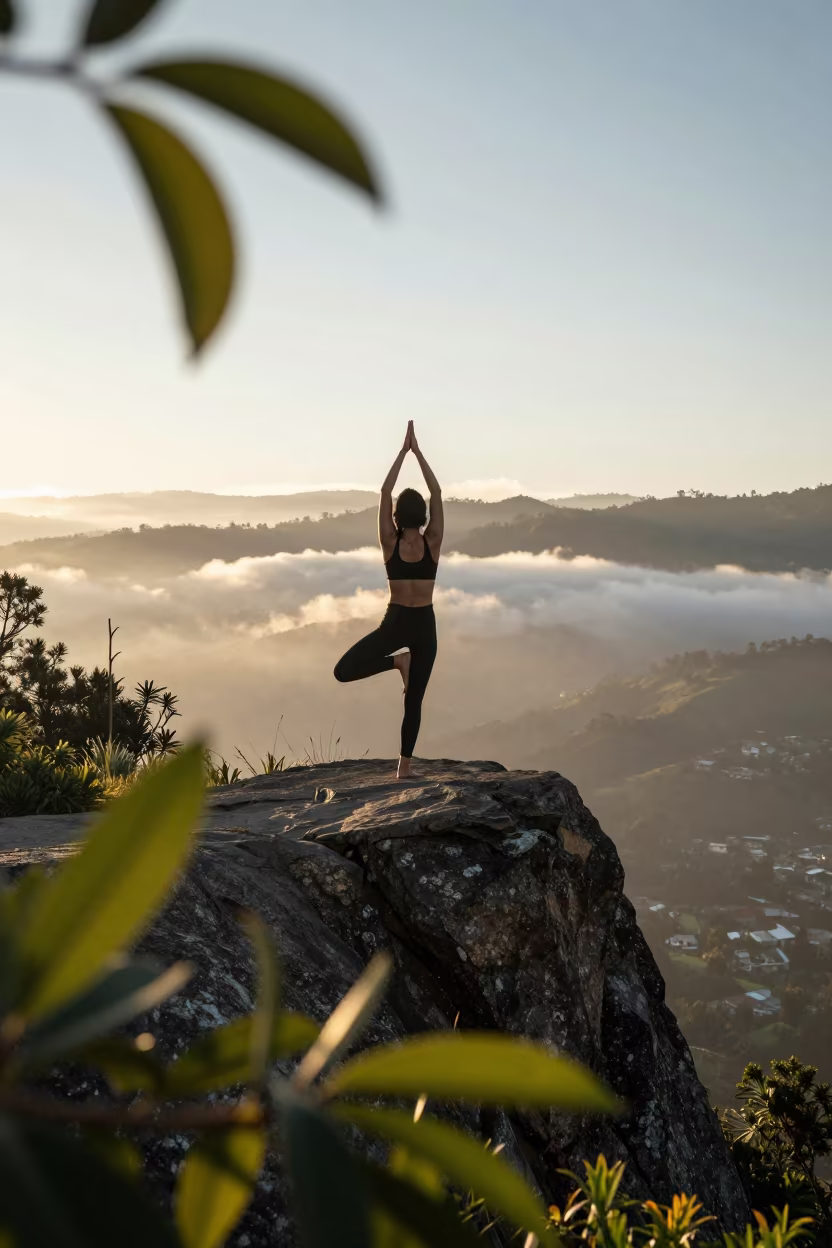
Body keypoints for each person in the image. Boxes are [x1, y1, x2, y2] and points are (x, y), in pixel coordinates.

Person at [333, 421, 443, 779]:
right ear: (423, 515)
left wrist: (403, 453)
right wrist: (418, 453)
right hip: (422, 624)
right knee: (414, 701)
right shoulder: (433, 542)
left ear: (397, 515)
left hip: (397, 622)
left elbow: (383, 492)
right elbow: (437, 493)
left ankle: (404, 769)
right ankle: (404, 766)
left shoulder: (389, 542)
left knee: (344, 671)